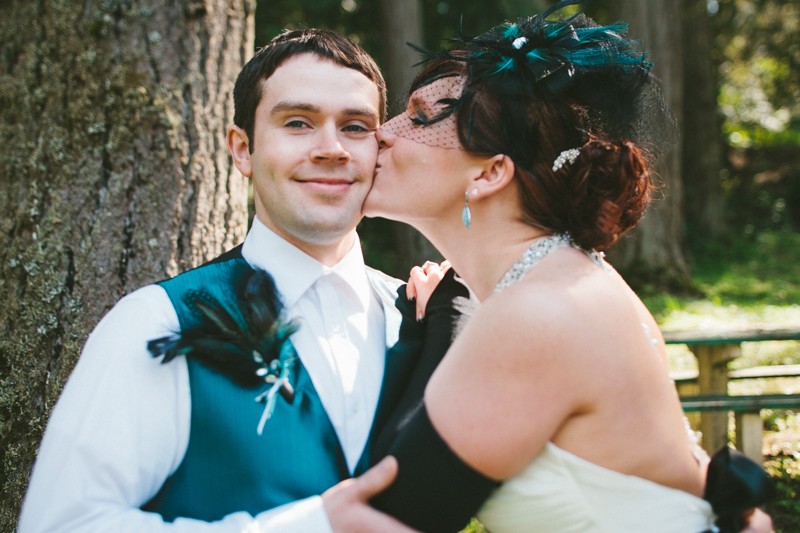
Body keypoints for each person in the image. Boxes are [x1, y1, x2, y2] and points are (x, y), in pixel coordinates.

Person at [357, 2, 775, 531]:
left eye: (418, 117)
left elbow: (392, 510)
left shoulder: (541, 312)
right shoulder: (561, 278)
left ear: (489, 173)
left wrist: (445, 321)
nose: (382, 132)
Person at [18, 28, 438, 533]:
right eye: (299, 122)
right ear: (242, 149)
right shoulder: (158, 322)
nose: (332, 149)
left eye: (354, 127)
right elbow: (60, 525)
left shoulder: (420, 316)